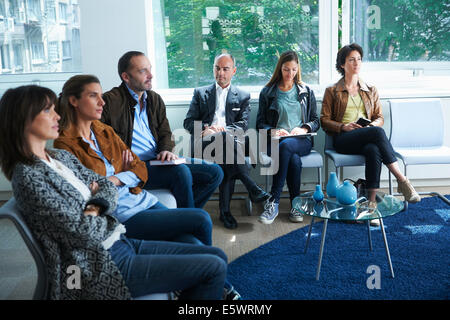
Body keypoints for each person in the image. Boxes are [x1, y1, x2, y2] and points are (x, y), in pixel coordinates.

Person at [0, 85, 228, 300]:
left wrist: (94, 205)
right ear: (24, 120)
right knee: (213, 267)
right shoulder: (28, 177)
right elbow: (83, 233)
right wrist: (97, 204)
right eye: (48, 110)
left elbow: (107, 186)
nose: (57, 116)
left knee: (217, 256)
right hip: (98, 266)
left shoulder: (60, 158)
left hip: (120, 241)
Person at [54, 74, 241, 300]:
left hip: (140, 199)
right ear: (74, 101)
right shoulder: (65, 145)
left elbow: (138, 168)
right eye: (94, 96)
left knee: (191, 241)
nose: (101, 102)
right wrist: (122, 175)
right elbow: (90, 189)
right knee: (200, 219)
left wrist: (117, 177)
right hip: (121, 213)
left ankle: (209, 285)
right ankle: (219, 287)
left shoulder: (103, 130)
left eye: (100, 96)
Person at [101, 51, 223, 209]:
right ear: (126, 77)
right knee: (180, 172)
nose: (150, 75)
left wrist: (165, 150)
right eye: (142, 71)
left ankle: (183, 217)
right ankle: (189, 222)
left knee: (215, 172)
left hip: (158, 160)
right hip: (138, 166)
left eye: (150, 69)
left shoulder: (154, 99)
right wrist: (118, 162)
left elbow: (165, 132)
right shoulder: (110, 102)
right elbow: (98, 139)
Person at [320, 43, 420, 214]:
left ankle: (371, 204)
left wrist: (371, 125)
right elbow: (324, 120)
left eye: (359, 59)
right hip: (344, 140)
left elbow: (379, 117)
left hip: (366, 136)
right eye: (351, 60)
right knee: (377, 133)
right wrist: (344, 126)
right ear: (342, 65)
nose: (356, 63)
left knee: (374, 148)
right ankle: (402, 180)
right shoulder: (332, 91)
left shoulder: (370, 90)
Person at [184, 53, 269, 229]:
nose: (220, 73)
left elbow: (243, 125)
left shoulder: (243, 95)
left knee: (227, 153)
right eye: (217, 68)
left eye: (225, 69)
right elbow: (188, 121)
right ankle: (251, 186)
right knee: (227, 147)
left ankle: (225, 212)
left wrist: (224, 130)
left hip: (230, 143)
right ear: (213, 68)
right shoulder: (200, 94)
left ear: (234, 71)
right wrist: (206, 129)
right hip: (205, 144)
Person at [256, 50, 320, 224]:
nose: (289, 74)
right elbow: (259, 123)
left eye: (293, 69)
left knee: (288, 147)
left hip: (301, 141)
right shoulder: (268, 92)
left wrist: (304, 128)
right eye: (286, 69)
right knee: (293, 159)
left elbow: (316, 120)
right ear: (280, 69)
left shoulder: (306, 91)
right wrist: (273, 131)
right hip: (276, 141)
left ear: (298, 69)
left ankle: (274, 201)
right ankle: (295, 204)